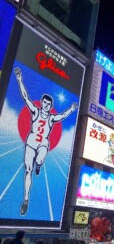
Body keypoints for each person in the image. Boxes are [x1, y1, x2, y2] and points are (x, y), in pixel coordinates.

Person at [15, 67, 78, 216]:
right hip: (31, 142)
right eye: (44, 103)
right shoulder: (35, 111)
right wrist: (19, 80)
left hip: (43, 143)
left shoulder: (51, 118)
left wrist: (71, 109)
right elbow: (26, 97)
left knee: (41, 156)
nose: (45, 106)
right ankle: (25, 199)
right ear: (42, 103)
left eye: (48, 105)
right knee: (28, 170)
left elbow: (62, 116)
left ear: (50, 106)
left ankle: (39, 164)